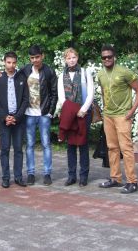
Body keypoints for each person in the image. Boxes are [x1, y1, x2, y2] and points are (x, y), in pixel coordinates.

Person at [96, 44, 138, 194]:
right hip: (108, 116)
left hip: (123, 115)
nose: (107, 59)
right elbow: (103, 92)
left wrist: (131, 111)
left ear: (114, 57)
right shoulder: (100, 74)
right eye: (104, 57)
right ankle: (115, 178)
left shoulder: (124, 72)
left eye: (109, 56)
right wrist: (104, 110)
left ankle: (132, 182)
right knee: (112, 148)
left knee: (126, 148)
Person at [20, 45, 58, 186]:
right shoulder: (25, 70)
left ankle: (47, 173)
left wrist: (50, 112)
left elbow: (54, 93)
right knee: (29, 144)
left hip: (43, 113)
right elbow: (13, 79)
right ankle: (31, 173)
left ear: (42, 56)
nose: (35, 60)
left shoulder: (49, 71)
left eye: (37, 57)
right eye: (32, 58)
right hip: (29, 113)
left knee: (46, 144)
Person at [56, 47, 94, 187]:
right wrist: (70, 111)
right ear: (65, 60)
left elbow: (91, 93)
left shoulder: (85, 72)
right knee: (71, 145)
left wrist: (83, 109)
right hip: (69, 114)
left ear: (77, 58)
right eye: (69, 58)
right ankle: (71, 176)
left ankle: (83, 176)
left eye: (74, 57)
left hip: (83, 113)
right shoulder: (62, 75)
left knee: (83, 144)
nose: (71, 60)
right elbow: (61, 97)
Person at [0, 51, 29, 188]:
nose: (11, 65)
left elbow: (25, 99)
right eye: (8, 62)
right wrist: (3, 117)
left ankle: (18, 177)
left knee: (18, 149)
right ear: (4, 62)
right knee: (5, 149)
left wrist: (16, 117)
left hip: (18, 120)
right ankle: (6, 177)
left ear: (16, 63)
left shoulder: (22, 78)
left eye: (13, 62)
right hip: (4, 120)